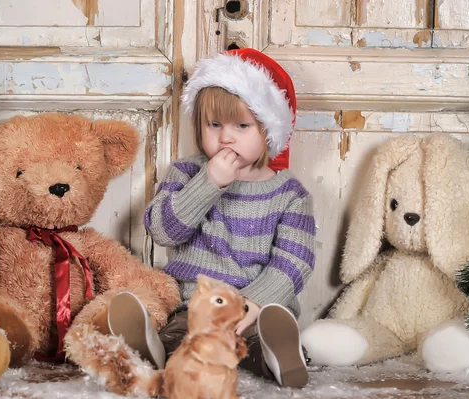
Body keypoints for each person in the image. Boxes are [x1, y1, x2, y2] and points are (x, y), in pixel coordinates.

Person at [110, 48, 316, 388]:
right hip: (193, 307)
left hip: (253, 311)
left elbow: (295, 261)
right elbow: (161, 230)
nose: (226, 136)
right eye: (215, 124)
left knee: (254, 343)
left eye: (242, 125)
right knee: (182, 338)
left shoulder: (290, 194)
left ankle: (281, 356)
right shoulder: (187, 173)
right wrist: (208, 184)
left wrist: (254, 302)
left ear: (268, 130)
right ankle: (151, 353)